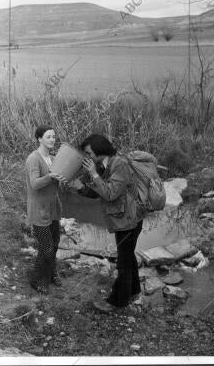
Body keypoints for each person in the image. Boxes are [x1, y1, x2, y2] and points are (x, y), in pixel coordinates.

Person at [77, 134, 145, 312]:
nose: (87, 156)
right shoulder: (102, 166)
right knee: (128, 257)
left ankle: (117, 302)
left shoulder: (119, 164)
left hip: (130, 221)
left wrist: (93, 174)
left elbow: (110, 193)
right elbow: (96, 192)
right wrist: (78, 187)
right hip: (122, 219)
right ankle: (134, 291)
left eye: (89, 152)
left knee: (123, 261)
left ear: (100, 150)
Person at [25, 125, 67, 294]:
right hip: (39, 208)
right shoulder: (33, 159)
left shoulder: (55, 158)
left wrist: (63, 179)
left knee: (55, 243)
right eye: (48, 137)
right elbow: (35, 184)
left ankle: (51, 273)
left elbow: (57, 184)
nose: (52, 140)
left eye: (54, 137)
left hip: (53, 207)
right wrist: (50, 176)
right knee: (46, 248)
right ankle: (38, 279)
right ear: (39, 139)